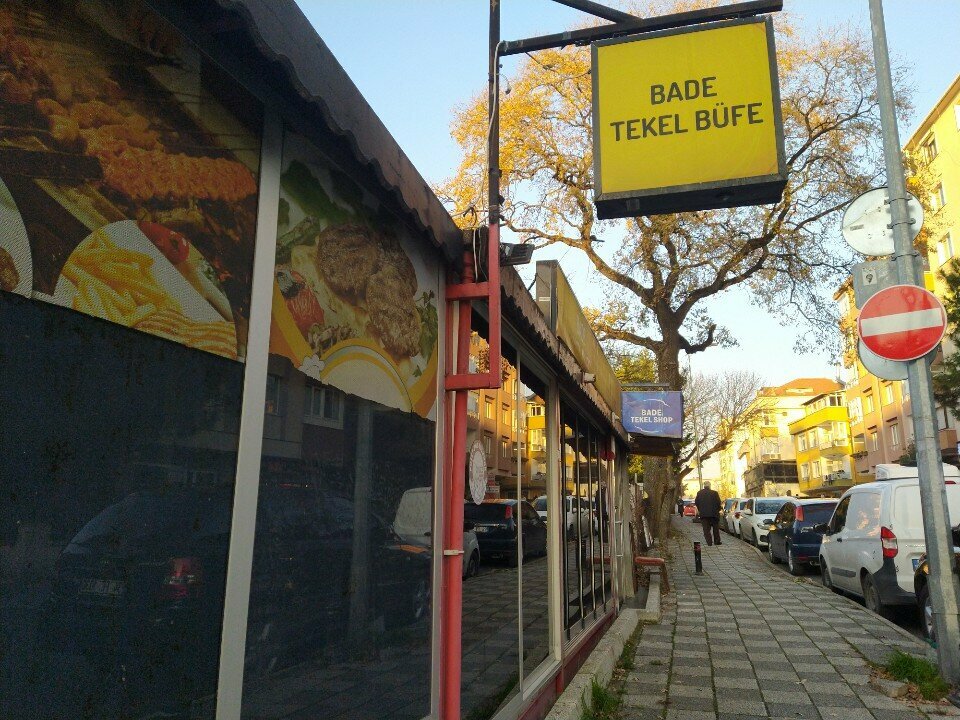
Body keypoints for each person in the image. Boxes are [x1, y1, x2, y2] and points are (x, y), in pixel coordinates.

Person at [695, 481, 723, 546]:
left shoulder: (699, 493)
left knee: (706, 529)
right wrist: (718, 509)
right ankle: (717, 541)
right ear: (710, 486)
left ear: (704, 486)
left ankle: (709, 542)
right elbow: (718, 502)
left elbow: (696, 502)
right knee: (715, 529)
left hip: (704, 514)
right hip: (714, 514)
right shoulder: (715, 493)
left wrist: (700, 509)